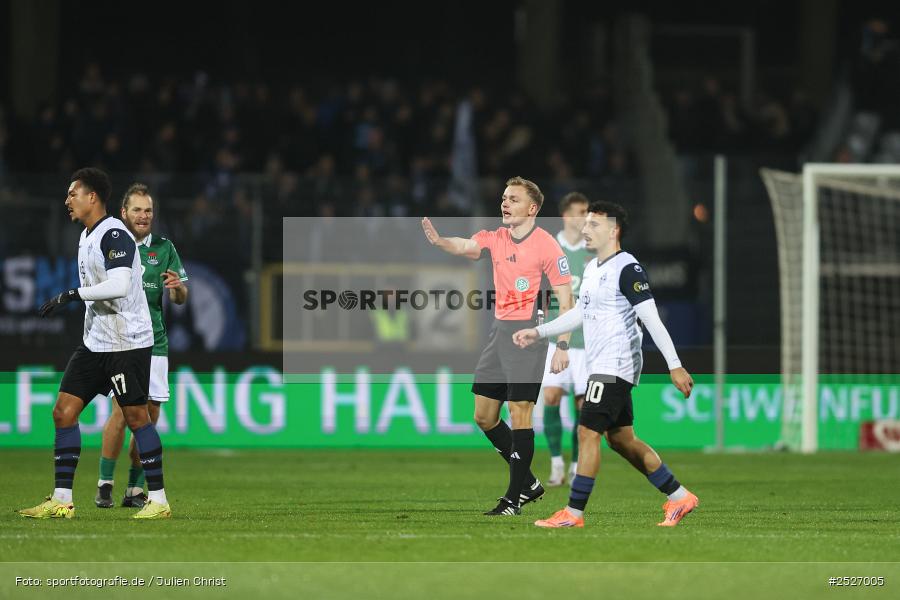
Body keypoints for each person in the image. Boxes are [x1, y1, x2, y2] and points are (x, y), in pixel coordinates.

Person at [513, 200, 698, 528]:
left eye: (594, 225)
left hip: (616, 365)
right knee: (621, 440)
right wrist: (539, 332)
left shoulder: (627, 267)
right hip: (604, 364)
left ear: (614, 231)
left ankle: (573, 513)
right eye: (585, 224)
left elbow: (651, 318)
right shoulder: (592, 268)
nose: (586, 229)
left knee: (587, 431)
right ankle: (679, 496)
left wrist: (675, 364)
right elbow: (579, 314)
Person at [18, 168, 171, 520]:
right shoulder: (87, 235)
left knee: (136, 418)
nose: (67, 200)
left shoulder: (114, 234)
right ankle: (61, 500)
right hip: (96, 342)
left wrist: (72, 294)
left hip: (127, 343)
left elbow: (119, 285)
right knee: (63, 411)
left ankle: (159, 501)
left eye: (73, 193)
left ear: (92, 198)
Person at [422, 176, 574, 516]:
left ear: (532, 208)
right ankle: (531, 483)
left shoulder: (547, 245)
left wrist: (562, 343)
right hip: (500, 333)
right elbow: (465, 246)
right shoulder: (496, 237)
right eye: (504, 198)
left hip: (529, 335)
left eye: (514, 199)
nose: (505, 203)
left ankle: (513, 498)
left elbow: (566, 300)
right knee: (484, 416)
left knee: (520, 413)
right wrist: (440, 241)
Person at [95, 183, 188, 509]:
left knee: (148, 417)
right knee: (121, 412)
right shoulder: (113, 245)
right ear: (124, 212)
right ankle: (104, 484)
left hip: (156, 344)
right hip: (122, 343)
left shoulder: (163, 248)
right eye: (137, 209)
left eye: (148, 210)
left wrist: (176, 288)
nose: (143, 215)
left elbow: (179, 297)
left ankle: (133, 489)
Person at [541, 192, 591, 486]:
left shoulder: (594, 250)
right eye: (580, 211)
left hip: (587, 342)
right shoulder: (550, 247)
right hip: (554, 340)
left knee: (583, 406)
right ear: (566, 216)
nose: (586, 216)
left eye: (588, 211)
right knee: (550, 397)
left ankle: (575, 466)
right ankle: (556, 463)